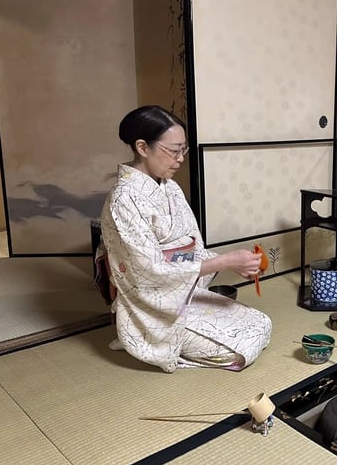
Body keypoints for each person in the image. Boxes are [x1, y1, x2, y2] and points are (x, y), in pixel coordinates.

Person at [99, 105, 272, 373]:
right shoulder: (123, 199)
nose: (180, 159)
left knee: (261, 324)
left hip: (181, 295)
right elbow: (149, 271)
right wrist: (224, 261)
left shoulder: (170, 187)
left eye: (184, 150)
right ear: (142, 147)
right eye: (174, 151)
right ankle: (138, 336)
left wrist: (237, 264)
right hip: (153, 308)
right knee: (241, 351)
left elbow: (194, 249)